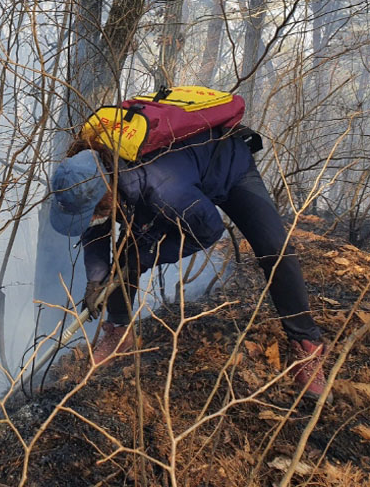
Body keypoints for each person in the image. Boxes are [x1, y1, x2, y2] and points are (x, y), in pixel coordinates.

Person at [49, 127, 332, 401]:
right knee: (130, 251)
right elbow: (95, 225)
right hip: (173, 179)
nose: (94, 215)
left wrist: (147, 255)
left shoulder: (161, 189)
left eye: (97, 207)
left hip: (227, 166)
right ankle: (120, 331)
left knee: (274, 249)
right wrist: (96, 279)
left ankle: (307, 342)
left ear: (107, 190)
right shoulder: (90, 169)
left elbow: (208, 231)